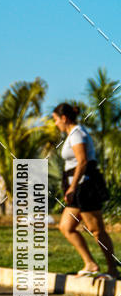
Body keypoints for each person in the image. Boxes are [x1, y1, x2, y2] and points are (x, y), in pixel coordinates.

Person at [53, 102, 118, 278]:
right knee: (66, 227)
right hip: (77, 187)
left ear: (64, 118)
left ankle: (113, 269)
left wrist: (73, 186)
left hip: (85, 186)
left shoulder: (77, 134)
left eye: (56, 120)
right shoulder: (72, 134)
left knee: (96, 229)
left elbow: (82, 162)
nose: (55, 124)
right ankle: (90, 263)